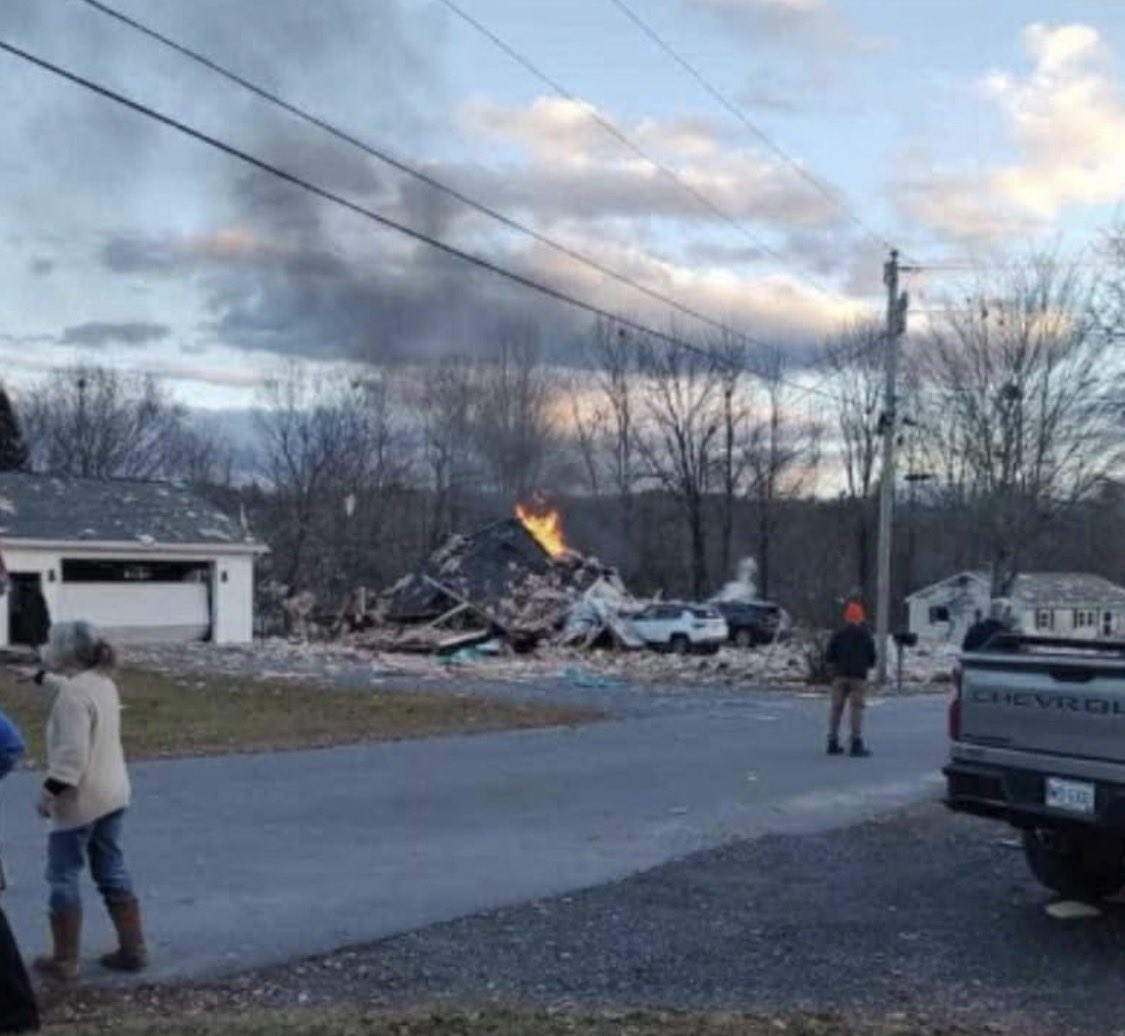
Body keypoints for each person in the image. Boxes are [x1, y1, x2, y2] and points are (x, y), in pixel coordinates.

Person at [30, 622, 148, 981]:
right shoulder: (102, 682)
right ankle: (134, 948)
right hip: (113, 794)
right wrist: (40, 679)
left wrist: (48, 793)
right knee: (110, 868)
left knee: (62, 875)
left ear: (65, 651)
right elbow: (74, 692)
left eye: (50, 644)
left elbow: (71, 757)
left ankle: (65, 960)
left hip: (80, 801)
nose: (45, 648)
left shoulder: (72, 697)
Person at [825, 607, 877, 757]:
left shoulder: (838, 634)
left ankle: (832, 741)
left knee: (836, 709)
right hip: (858, 676)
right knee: (856, 709)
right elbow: (872, 656)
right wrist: (867, 665)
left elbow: (829, 655)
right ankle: (855, 742)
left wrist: (835, 667)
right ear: (860, 618)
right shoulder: (865, 635)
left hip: (840, 675)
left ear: (846, 618)